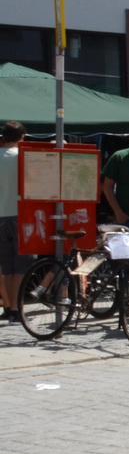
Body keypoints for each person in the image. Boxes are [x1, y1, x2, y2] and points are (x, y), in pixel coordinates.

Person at [0, 121, 23, 323]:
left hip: (0, 215)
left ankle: (8, 307)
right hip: (20, 214)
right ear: (22, 137)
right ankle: (16, 308)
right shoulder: (23, 158)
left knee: (6, 265)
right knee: (21, 264)